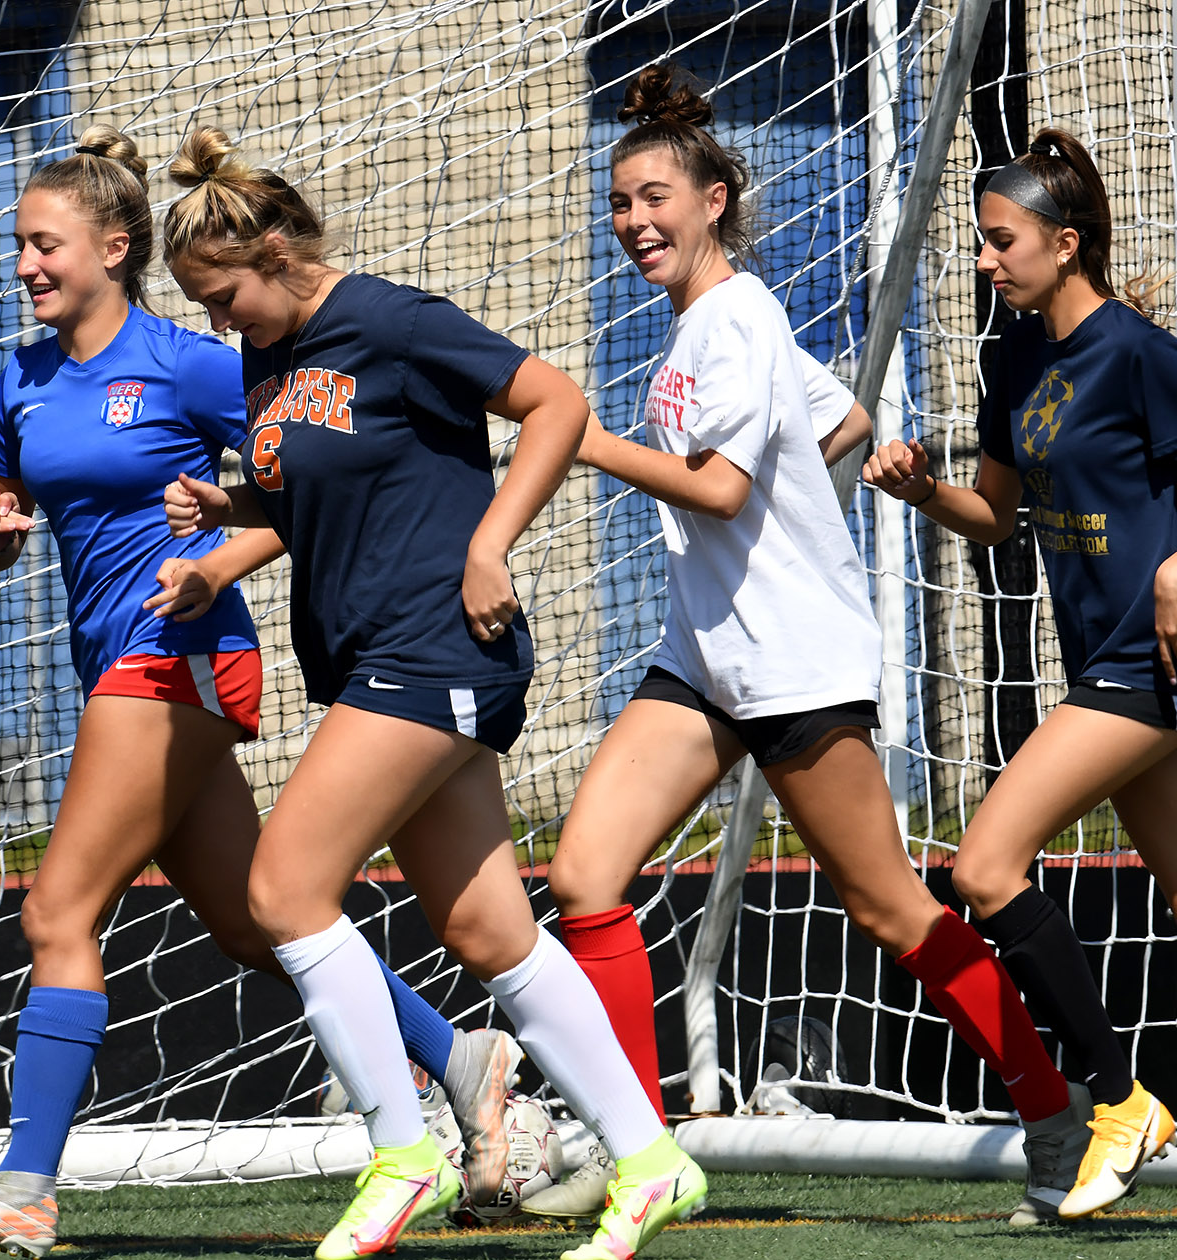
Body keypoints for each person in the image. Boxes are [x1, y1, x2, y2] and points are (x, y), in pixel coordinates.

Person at [0, 126, 519, 1260]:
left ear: (113, 249)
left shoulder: (190, 362)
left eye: (45, 245)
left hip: (174, 658)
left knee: (56, 914)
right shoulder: (19, 378)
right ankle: (464, 1062)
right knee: (251, 923)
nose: (25, 265)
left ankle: (24, 1191)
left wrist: (221, 557)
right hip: (110, 666)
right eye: (19, 246)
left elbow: (299, 482)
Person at [539, 65, 1092, 1228]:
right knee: (585, 876)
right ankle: (645, 1152)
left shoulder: (737, 315)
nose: (634, 221)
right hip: (704, 658)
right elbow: (837, 420)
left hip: (790, 664)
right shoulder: (711, 328)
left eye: (654, 199)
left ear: (713, 198)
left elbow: (725, 490)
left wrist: (579, 440)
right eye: (619, 205)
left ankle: (1052, 1108)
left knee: (891, 908)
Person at [161, 124, 699, 1260]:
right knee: (484, 926)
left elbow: (555, 405)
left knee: (284, 888)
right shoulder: (270, 356)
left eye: (222, 296)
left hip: (438, 649)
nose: (218, 320)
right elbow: (316, 491)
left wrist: (492, 542)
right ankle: (652, 1162)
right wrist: (226, 527)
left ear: (273, 251)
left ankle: (400, 1150)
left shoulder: (394, 321)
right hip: (374, 660)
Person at [865, 125, 1177, 1217]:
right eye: (979, 244)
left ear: (1062, 243)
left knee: (984, 866)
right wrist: (920, 493)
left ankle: (1119, 1101)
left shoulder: (1135, 353)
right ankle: (1122, 1100)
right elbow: (993, 521)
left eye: (1000, 242)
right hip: (1099, 664)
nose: (983, 263)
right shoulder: (1011, 359)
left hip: (1149, 663)